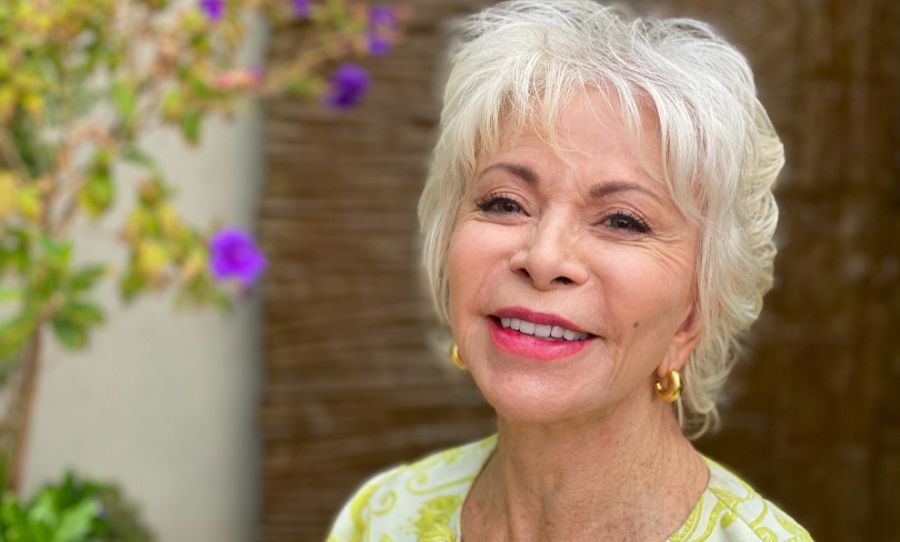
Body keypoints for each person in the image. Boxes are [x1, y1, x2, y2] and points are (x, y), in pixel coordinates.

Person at [327, 1, 813, 540]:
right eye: (504, 203)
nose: (543, 258)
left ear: (694, 315)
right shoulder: (379, 519)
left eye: (623, 220)